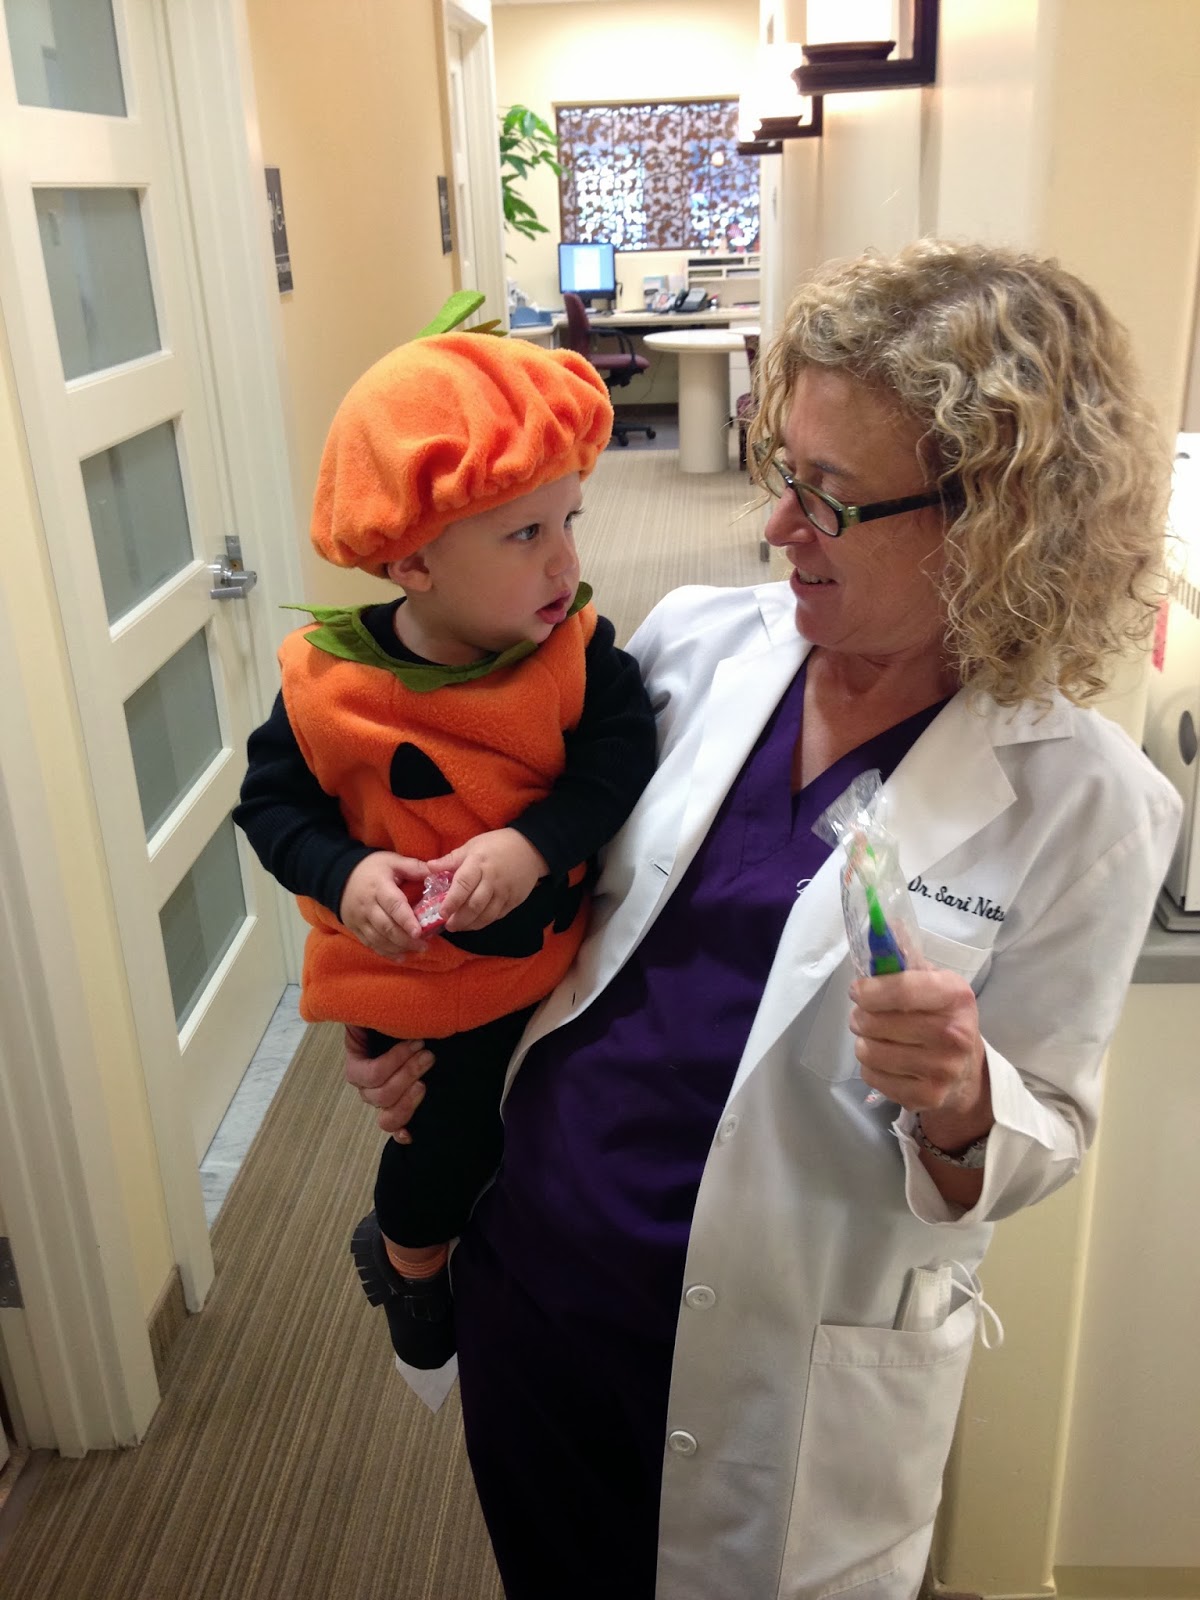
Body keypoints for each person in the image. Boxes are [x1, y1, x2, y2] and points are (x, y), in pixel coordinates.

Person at [345, 240, 1183, 1599]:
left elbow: (1047, 1139)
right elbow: (541, 898)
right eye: (781, 469)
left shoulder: (1091, 807)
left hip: (782, 1372)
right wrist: (405, 1018)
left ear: (995, 521)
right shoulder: (690, 645)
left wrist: (966, 1099)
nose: (779, 527)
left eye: (831, 497)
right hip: (538, 1284)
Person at [234, 329, 656, 1371]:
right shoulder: (329, 689)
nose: (565, 561)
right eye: (525, 534)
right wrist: (345, 872)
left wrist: (533, 841)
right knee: (442, 1150)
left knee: (554, 1141)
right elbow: (271, 806)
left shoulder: (575, 654)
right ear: (413, 560)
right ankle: (408, 1259)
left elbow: (620, 760)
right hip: (411, 987)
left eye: (570, 520)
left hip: (547, 960)